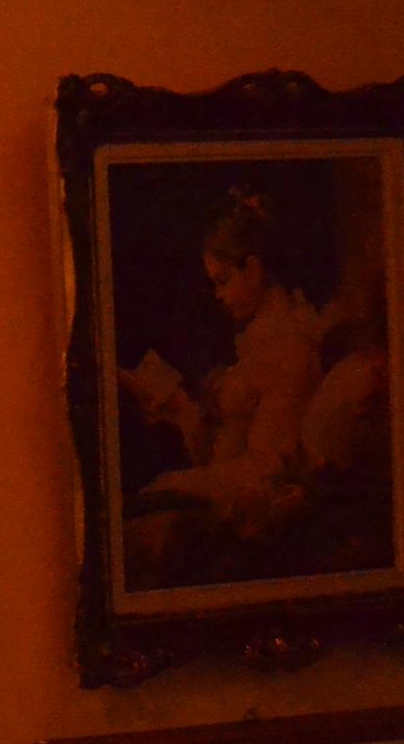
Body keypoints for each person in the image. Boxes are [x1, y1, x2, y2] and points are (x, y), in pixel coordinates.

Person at [118, 189, 334, 590]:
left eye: (223, 280)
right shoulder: (256, 344)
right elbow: (224, 454)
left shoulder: (292, 349)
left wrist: (178, 483)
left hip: (249, 515)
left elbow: (266, 470)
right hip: (222, 495)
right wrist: (182, 412)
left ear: (252, 269)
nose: (218, 295)